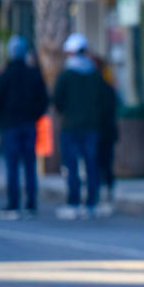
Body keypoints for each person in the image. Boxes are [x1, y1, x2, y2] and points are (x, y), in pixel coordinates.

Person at [0, 35, 49, 220]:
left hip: (10, 127)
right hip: (28, 126)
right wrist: (33, 116)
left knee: (13, 167)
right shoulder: (33, 75)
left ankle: (14, 205)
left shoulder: (4, 76)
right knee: (30, 166)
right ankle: (31, 204)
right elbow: (44, 101)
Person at [53, 33, 105, 219]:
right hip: (91, 127)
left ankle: (73, 202)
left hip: (71, 127)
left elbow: (57, 101)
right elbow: (103, 100)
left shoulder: (66, 75)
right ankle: (92, 202)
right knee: (91, 165)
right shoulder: (95, 75)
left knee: (71, 166)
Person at [92, 54, 120, 213]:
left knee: (96, 163)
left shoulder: (94, 88)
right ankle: (107, 192)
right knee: (106, 163)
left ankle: (99, 194)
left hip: (98, 131)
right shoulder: (108, 88)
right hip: (107, 131)